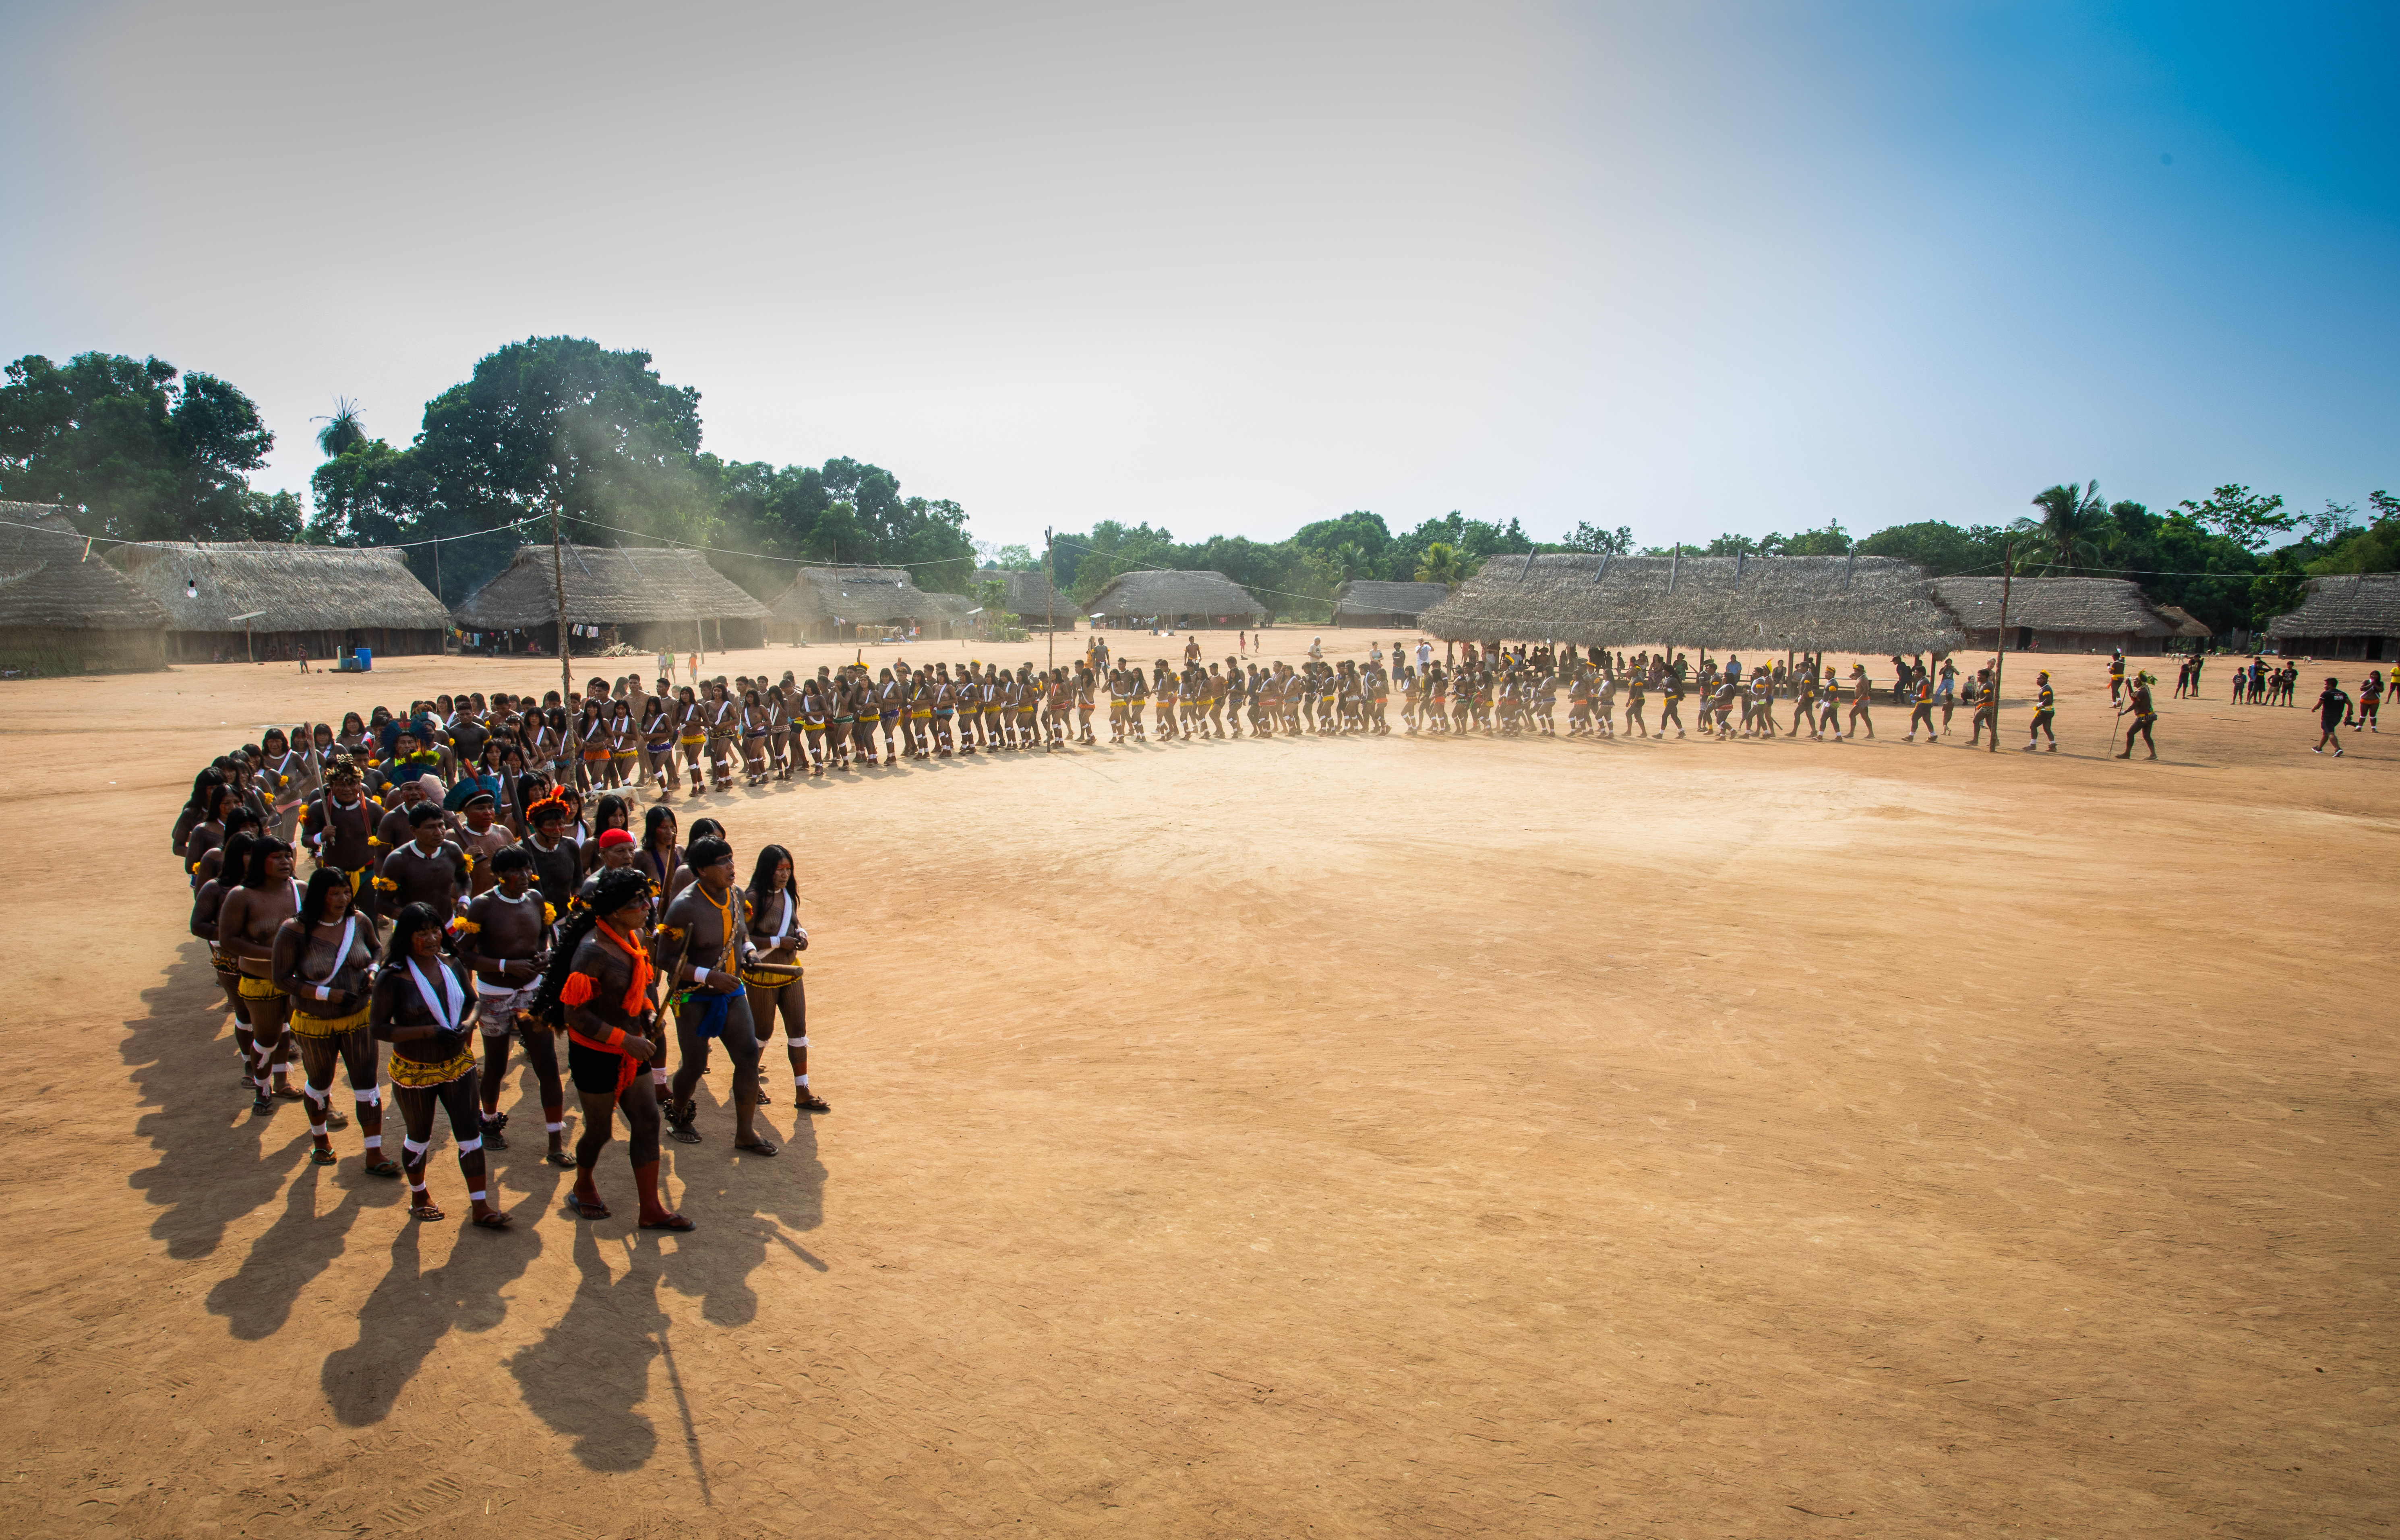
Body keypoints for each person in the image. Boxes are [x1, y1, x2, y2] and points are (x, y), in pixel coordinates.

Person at [538, 864, 691, 1229]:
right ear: (612, 912)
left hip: (631, 1047)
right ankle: (583, 1183)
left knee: (648, 1120)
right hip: (596, 1055)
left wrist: (651, 1014)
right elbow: (575, 1015)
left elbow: (641, 989)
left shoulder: (633, 940)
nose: (646, 907)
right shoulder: (593, 952)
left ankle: (651, 1208)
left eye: (644, 899)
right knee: (600, 1131)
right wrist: (627, 1040)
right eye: (637, 902)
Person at [372, 902, 510, 1228]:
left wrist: (468, 1023)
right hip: (414, 1071)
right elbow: (378, 1028)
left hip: (457, 1066)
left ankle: (481, 1206)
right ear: (407, 937)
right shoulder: (392, 978)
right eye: (422, 933)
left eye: (435, 930)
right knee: (419, 1136)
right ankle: (419, 1195)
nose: (432, 938)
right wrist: (426, 1031)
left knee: (470, 1136)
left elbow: (474, 1000)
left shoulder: (451, 963)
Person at [654, 836, 776, 1154]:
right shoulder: (684, 907)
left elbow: (741, 932)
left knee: (748, 1056)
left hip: (732, 990)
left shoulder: (736, 895)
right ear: (702, 871)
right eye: (722, 862)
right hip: (691, 996)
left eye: (731, 858)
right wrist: (708, 976)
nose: (731, 867)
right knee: (694, 1065)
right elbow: (664, 959)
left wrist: (748, 951)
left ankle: (746, 1132)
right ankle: (679, 1111)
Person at [271, 867, 393, 1174]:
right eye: (334, 893)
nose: (343, 899)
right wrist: (328, 995)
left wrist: (372, 972)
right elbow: (282, 979)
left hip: (359, 1017)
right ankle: (321, 1141)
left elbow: (377, 949)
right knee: (320, 1082)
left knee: (367, 1084)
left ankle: (374, 1152)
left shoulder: (359, 921)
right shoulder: (293, 931)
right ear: (318, 895)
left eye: (346, 892)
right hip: (315, 1021)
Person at [457, 845, 573, 1165]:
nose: (523, 877)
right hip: (494, 994)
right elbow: (463, 953)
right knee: (496, 1064)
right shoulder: (483, 906)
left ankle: (555, 1141)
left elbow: (544, 940)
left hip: (532, 993)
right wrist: (506, 965)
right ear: (498, 874)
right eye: (515, 872)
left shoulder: (536, 900)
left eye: (526, 870)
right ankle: (490, 1123)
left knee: (547, 1062)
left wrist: (544, 956)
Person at [741, 843, 829, 1114]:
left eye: (789, 869)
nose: (785, 874)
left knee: (798, 1029)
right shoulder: (753, 897)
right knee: (763, 1031)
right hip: (763, 974)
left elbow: (795, 922)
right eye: (780, 869)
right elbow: (743, 936)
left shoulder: (788, 896)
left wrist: (802, 935)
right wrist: (781, 941)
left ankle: (802, 1090)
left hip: (791, 971)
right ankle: (748, 1080)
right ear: (768, 869)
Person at [219, 836, 302, 1113]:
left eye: (288, 856)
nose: (285, 862)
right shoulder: (241, 895)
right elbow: (229, 940)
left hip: (297, 981)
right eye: (277, 857)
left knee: (301, 1036)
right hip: (260, 981)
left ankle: (287, 1084)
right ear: (259, 862)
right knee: (267, 1037)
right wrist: (275, 954)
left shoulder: (301, 890)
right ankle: (262, 1087)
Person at [2116, 671, 2159, 760]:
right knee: (2147, 736)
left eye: (2135, 680)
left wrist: (2124, 712)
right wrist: (2129, 686)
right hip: (2150, 716)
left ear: (2139, 682)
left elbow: (2134, 704)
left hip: (2143, 717)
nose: (2134, 681)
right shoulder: (2144, 689)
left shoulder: (2141, 692)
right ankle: (2153, 754)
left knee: (2130, 733)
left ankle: (2127, 754)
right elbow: (2134, 697)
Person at [2313, 676, 2351, 756]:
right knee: (2326, 732)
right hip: (2338, 717)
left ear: (2330, 685)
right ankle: (2319, 748)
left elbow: (2319, 705)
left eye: (2326, 684)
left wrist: (2313, 709)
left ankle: (2338, 749)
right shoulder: (2342, 694)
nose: (2325, 686)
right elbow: (2350, 704)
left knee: (2331, 733)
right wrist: (2349, 714)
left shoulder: (2326, 694)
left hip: (2327, 717)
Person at [2023, 671, 2057, 751]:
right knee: (2047, 729)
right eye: (2037, 678)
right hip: (2050, 711)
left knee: (2033, 726)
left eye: (2039, 679)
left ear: (2045, 680)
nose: (2037, 680)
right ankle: (2053, 746)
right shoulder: (2046, 688)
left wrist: (2039, 705)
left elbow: (2048, 700)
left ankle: (2033, 745)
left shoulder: (2046, 689)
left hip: (2045, 712)